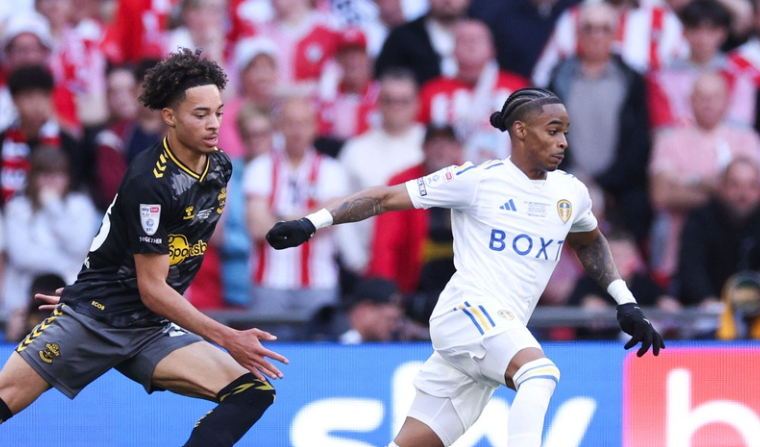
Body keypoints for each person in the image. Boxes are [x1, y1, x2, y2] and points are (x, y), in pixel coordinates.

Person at [266, 87, 664, 447]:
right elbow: (385, 198)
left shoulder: (571, 193)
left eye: (565, 131)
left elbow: (589, 241)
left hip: (497, 331)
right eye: (552, 130)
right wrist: (312, 222)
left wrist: (625, 302)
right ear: (521, 131)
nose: (562, 141)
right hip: (468, 312)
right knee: (540, 374)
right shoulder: (476, 180)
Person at [0, 48, 288, 446]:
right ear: (169, 117)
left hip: (150, 327)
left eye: (218, 112)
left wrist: (98, 278)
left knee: (252, 392)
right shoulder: (149, 182)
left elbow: (145, 248)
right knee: (4, 398)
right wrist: (226, 336)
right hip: (95, 320)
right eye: (200, 114)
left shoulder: (220, 166)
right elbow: (153, 287)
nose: (213, 124)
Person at [547, 1, 652, 245]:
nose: (596, 35)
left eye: (604, 28)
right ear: (578, 33)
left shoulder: (632, 80)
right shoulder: (559, 78)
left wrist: (606, 183)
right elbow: (548, 134)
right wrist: (573, 178)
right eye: (589, 28)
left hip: (621, 194)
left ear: (615, 35)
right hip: (565, 187)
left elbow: (639, 142)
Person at [0, 145, 99, 342]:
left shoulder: (80, 206)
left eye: (57, 175)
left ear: (67, 177)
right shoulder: (17, 208)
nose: (51, 182)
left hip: (67, 301)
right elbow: (22, 256)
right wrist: (68, 260)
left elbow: (79, 246)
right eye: (45, 175)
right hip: (22, 303)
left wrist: (53, 206)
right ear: (33, 177)